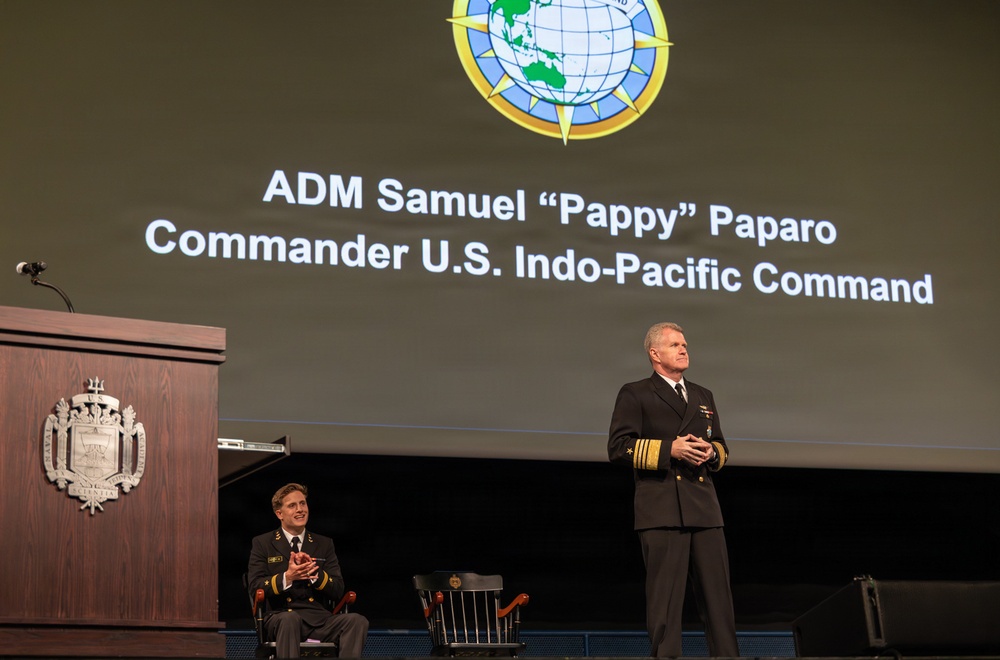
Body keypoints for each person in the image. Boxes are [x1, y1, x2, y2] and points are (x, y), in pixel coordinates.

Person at [608, 322, 739, 658]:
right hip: (662, 506)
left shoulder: (702, 395)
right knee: (665, 604)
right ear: (655, 353)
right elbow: (619, 447)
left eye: (685, 345)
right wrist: (670, 450)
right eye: (675, 345)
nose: (684, 349)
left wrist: (711, 452)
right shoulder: (635, 392)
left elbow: (721, 447)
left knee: (719, 601)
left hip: (704, 508)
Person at [247, 483, 369, 658]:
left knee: (356, 621)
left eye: (303, 503)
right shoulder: (263, 543)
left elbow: (337, 589)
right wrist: (288, 577)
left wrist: (315, 575)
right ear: (279, 513)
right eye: (292, 505)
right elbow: (255, 587)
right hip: (281, 617)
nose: (300, 510)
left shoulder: (324, 543)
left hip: (318, 619)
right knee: (290, 620)